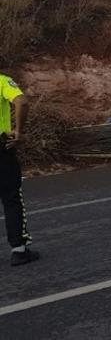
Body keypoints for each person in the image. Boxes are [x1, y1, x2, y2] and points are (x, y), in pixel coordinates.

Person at [0, 69, 38, 266]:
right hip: (1, 149)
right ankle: (19, 249)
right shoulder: (3, 82)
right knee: (11, 198)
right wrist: (19, 132)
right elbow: (22, 101)